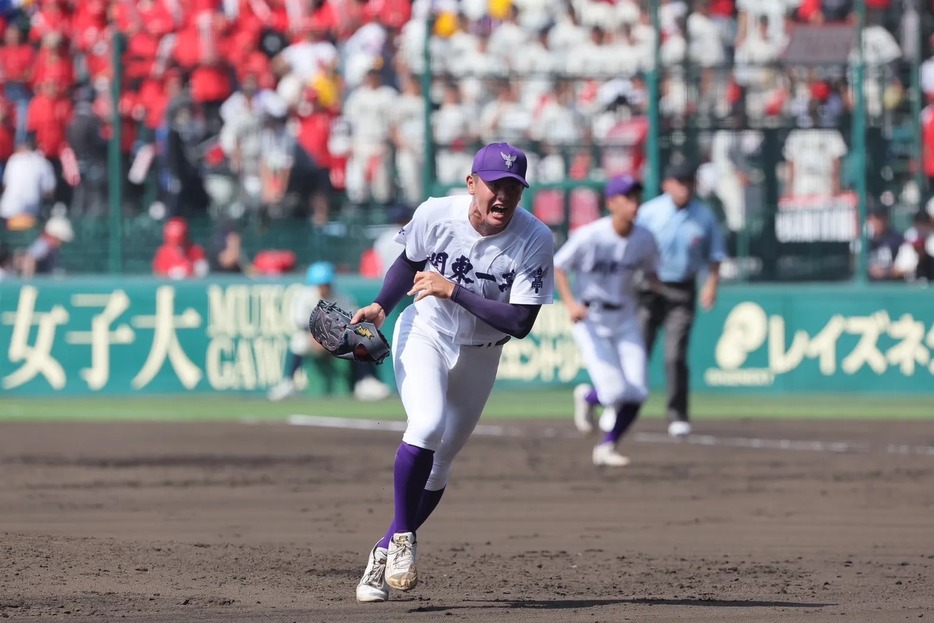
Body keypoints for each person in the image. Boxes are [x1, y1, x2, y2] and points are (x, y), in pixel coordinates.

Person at [350, 142, 554, 602]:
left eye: (513, 188)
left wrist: (454, 290)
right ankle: (404, 539)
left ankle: (382, 551)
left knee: (440, 466)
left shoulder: (534, 238)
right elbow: (408, 261)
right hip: (426, 332)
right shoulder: (436, 213)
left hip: (484, 351)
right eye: (495, 185)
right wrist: (383, 305)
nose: (503, 196)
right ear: (471, 184)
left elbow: (521, 322)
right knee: (426, 424)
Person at [555, 175, 660, 467]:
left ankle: (607, 445)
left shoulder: (645, 238)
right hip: (591, 317)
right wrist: (570, 303)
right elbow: (559, 266)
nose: (634, 203)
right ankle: (589, 397)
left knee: (637, 392)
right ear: (611, 203)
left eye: (637, 197)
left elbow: (653, 273)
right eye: (627, 198)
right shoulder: (591, 235)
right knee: (614, 391)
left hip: (625, 316)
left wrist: (662, 288)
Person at [636, 161, 727, 437]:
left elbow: (716, 255)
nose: (684, 188)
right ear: (667, 185)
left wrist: (711, 285)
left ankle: (677, 414)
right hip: (649, 288)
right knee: (637, 352)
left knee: (675, 355)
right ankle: (620, 407)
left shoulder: (704, 216)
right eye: (679, 182)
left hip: (682, 288)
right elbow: (632, 247)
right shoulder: (650, 212)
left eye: (689, 182)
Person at [267, 261, 392, 402]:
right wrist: (320, 340)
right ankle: (288, 383)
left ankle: (364, 382)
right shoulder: (305, 297)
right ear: (314, 284)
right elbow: (302, 325)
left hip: (338, 340)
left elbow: (353, 324)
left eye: (326, 284)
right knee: (298, 341)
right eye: (321, 284)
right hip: (314, 341)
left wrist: (336, 341)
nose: (324, 287)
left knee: (360, 340)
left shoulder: (342, 297)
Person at [867, 206, 904, 281]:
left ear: (886, 219)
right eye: (873, 219)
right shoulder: (864, 239)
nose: (877, 222)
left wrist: (886, 272)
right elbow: (855, 265)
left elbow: (903, 267)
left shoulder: (898, 239)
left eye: (880, 219)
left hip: (890, 284)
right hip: (869, 284)